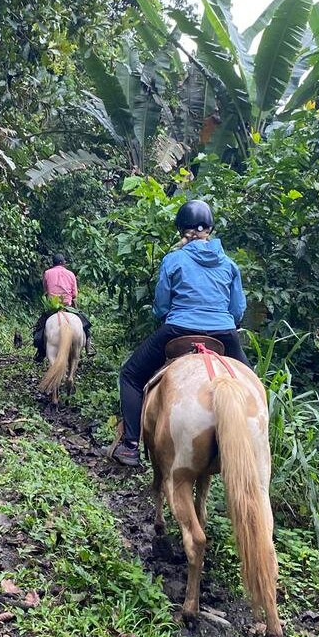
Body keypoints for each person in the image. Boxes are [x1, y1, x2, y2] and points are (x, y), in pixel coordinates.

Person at [111, 199, 251, 467]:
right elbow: (237, 310)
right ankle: (256, 442)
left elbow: (161, 305)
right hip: (224, 334)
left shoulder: (173, 259)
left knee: (130, 375)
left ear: (181, 230)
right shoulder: (230, 265)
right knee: (252, 384)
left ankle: (130, 445)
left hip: (178, 330)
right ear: (209, 228)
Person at [32, 253, 91, 361]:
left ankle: (40, 352)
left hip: (52, 307)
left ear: (52, 263)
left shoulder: (47, 273)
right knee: (86, 325)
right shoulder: (71, 274)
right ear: (64, 263)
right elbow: (74, 295)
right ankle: (88, 348)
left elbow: (45, 289)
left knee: (40, 328)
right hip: (68, 306)